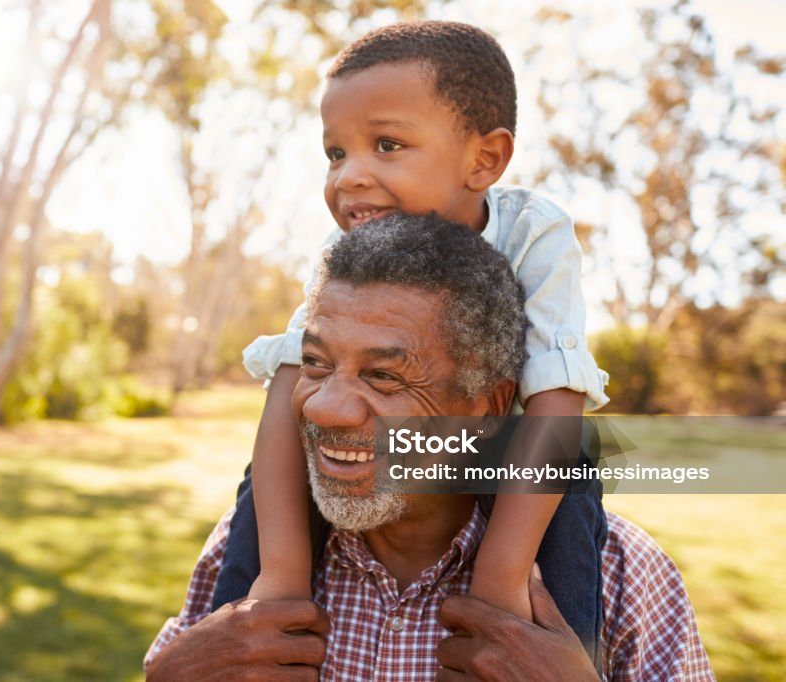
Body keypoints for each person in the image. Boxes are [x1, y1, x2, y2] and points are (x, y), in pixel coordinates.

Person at [145, 215, 713, 680]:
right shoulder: (246, 548)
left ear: (489, 406)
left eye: (385, 377)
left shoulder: (621, 575)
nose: (323, 408)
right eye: (315, 364)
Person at [215, 20, 611, 663]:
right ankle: (236, 652)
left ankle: (556, 654)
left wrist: (500, 582)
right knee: (261, 486)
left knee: (574, 474)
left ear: (483, 159)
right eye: (336, 153)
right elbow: (290, 385)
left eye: (387, 144)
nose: (349, 177)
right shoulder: (343, 254)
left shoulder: (533, 233)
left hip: (515, 449)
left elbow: (557, 398)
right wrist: (279, 575)